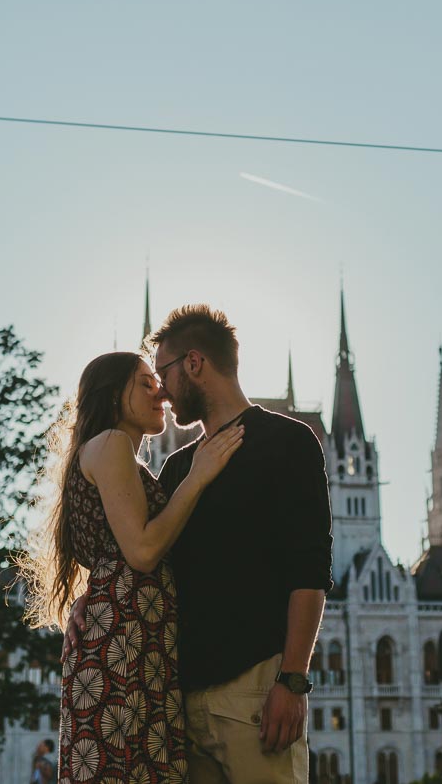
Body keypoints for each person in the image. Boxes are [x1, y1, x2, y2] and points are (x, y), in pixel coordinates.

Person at [21, 351, 246, 784]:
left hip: (135, 641)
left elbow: (118, 553)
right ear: (113, 396)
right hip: (124, 647)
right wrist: (197, 476)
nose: (160, 391)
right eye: (145, 383)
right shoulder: (111, 444)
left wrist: (91, 593)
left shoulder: (109, 451)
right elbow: (142, 551)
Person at [148, 304, 334, 784]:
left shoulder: (287, 441)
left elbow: (309, 570)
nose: (161, 391)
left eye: (162, 372)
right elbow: (151, 564)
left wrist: (292, 681)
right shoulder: (176, 469)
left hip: (256, 695)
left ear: (194, 363)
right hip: (182, 705)